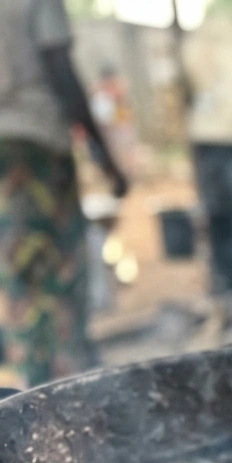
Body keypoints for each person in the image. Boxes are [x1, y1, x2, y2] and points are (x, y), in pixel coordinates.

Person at [0, 0, 127, 389]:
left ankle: (31, 386)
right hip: (38, 147)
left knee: (17, 269)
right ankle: (69, 387)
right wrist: (105, 157)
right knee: (61, 269)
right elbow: (61, 71)